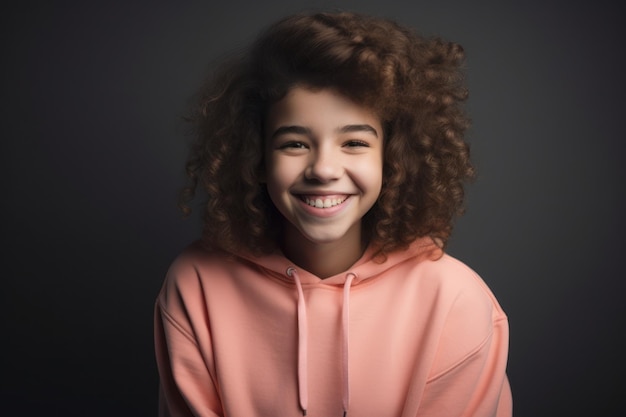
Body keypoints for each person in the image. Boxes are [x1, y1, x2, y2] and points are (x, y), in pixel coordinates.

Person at [154, 11, 512, 417]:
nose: (323, 168)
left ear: (392, 159)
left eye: (354, 143)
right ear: (256, 157)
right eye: (295, 144)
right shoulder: (197, 285)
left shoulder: (455, 301)